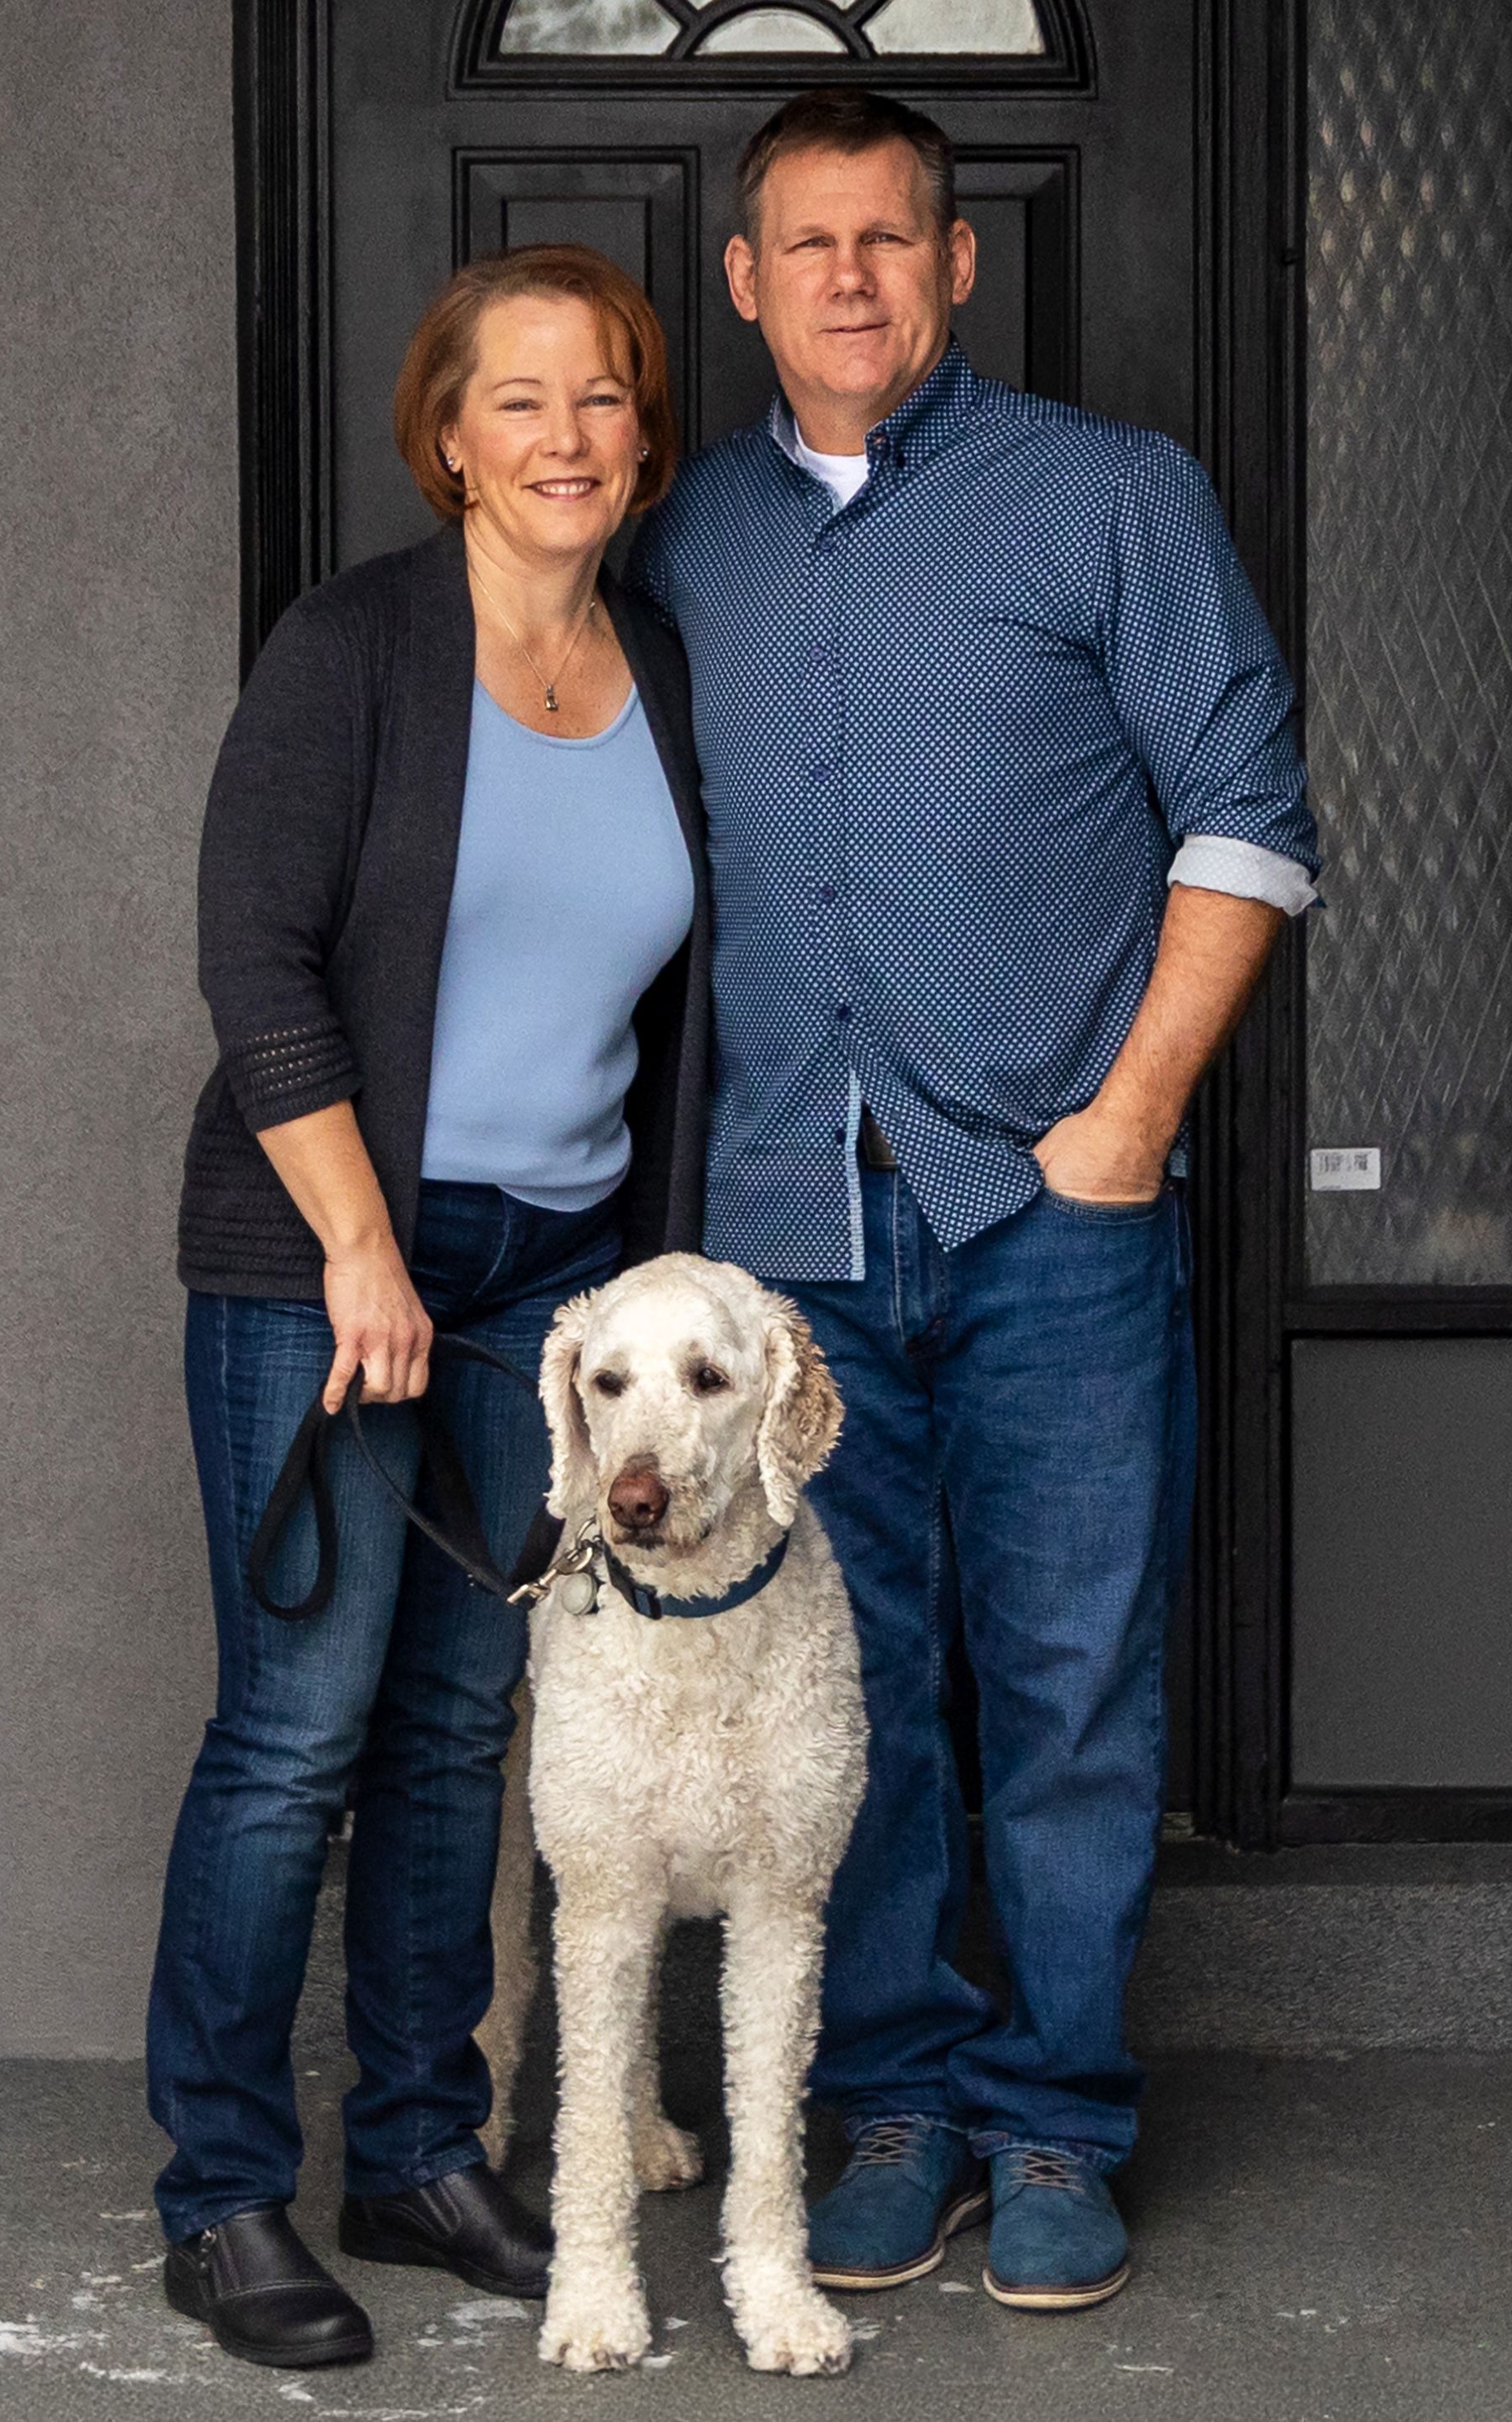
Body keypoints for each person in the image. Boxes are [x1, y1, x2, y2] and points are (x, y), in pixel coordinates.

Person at [629, 89, 1318, 2312]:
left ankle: (1053, 2122)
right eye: (806, 242)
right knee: (855, 1686)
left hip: (1053, 1203)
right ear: (744, 281)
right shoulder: (684, 535)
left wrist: (1127, 1121)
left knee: (1071, 1676)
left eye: (890, 237)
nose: (849, 275)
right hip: (783, 1232)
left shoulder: (1109, 497)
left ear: (957, 266)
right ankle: (899, 2097)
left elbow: (1247, 816)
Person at [148, 245, 708, 2372]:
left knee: (465, 1727)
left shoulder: (658, 658)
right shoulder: (358, 648)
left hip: (550, 1283)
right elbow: (255, 959)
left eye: (603, 399)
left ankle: (413, 2145)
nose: (566, 437)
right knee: (295, 1734)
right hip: (327, 1257)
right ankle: (218, 2193)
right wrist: (359, 1245)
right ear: (450, 438)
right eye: (522, 400)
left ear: (643, 436)